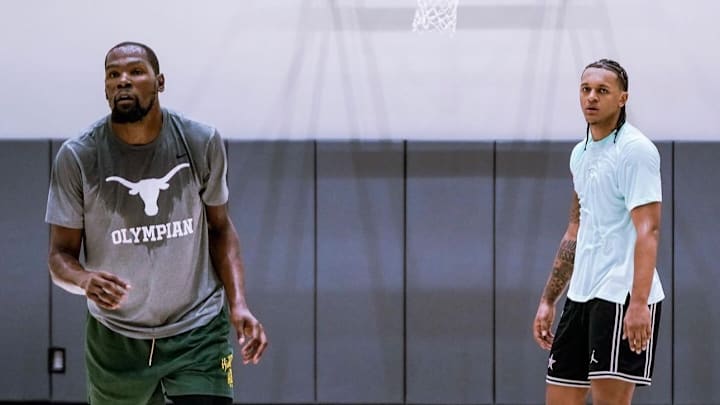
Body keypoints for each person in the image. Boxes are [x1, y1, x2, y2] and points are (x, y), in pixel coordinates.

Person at [46, 41, 268, 405]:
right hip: (116, 337)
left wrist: (239, 303)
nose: (123, 81)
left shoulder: (200, 141)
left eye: (135, 72)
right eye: (113, 75)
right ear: (105, 88)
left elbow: (221, 228)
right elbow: (59, 255)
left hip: (197, 330)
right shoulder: (79, 156)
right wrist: (83, 279)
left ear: (159, 82)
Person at [532, 59, 664, 405]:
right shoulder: (581, 153)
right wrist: (549, 300)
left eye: (602, 90)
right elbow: (575, 229)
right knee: (559, 398)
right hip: (581, 294)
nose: (591, 97)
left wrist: (638, 304)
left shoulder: (636, 151)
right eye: (585, 89)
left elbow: (648, 231)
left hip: (621, 295)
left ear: (622, 98)